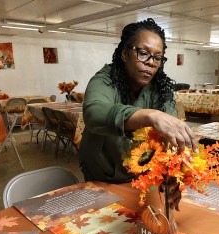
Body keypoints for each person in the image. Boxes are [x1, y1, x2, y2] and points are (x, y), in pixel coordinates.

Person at [79, 18, 197, 209]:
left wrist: (175, 174)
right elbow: (94, 114)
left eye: (157, 58)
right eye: (143, 53)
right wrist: (150, 115)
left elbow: (172, 141)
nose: (151, 63)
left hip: (142, 179)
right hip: (101, 175)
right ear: (125, 54)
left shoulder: (161, 90)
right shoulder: (105, 80)